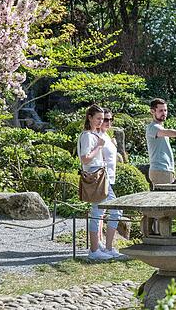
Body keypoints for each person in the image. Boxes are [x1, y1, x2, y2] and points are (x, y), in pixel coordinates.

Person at [77, 105, 114, 261]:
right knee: (98, 212)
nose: (101, 121)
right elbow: (85, 158)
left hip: (100, 174)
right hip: (95, 175)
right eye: (98, 118)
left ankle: (102, 247)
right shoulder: (87, 136)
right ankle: (94, 250)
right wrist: (99, 146)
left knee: (112, 210)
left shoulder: (94, 135)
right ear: (90, 118)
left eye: (102, 119)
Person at [146, 98, 176, 187]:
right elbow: (168, 132)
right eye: (161, 110)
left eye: (165, 110)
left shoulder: (160, 127)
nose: (164, 113)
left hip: (166, 170)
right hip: (160, 170)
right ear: (152, 111)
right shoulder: (153, 127)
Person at [97, 108, 123, 258]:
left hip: (110, 179)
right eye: (105, 119)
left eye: (110, 119)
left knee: (100, 212)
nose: (107, 122)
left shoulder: (107, 136)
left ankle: (101, 244)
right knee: (116, 210)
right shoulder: (97, 136)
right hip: (103, 179)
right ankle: (106, 247)